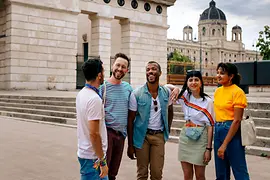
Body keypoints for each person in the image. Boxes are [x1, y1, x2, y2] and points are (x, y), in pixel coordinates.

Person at [127, 61, 180, 180]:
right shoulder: (136, 94)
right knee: (142, 173)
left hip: (159, 136)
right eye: (148, 69)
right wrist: (130, 145)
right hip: (142, 137)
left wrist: (168, 129)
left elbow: (170, 111)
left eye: (154, 69)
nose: (150, 71)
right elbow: (130, 120)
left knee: (157, 173)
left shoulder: (166, 92)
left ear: (160, 73)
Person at [99, 53, 136, 180]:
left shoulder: (128, 88)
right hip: (107, 134)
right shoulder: (102, 87)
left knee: (113, 173)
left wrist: (171, 87)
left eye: (123, 67)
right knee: (103, 172)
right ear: (112, 66)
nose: (120, 69)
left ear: (127, 70)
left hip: (121, 136)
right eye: (118, 65)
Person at [176, 70, 215, 180]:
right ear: (187, 83)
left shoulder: (208, 101)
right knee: (187, 175)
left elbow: (210, 126)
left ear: (201, 82)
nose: (193, 82)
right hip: (185, 138)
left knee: (200, 175)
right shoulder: (185, 96)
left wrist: (208, 149)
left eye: (196, 80)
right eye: (190, 80)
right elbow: (166, 86)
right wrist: (175, 89)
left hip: (201, 139)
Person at [214, 62, 250, 180]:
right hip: (218, 129)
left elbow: (237, 120)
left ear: (231, 76)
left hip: (231, 130)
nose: (218, 75)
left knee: (239, 169)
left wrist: (224, 145)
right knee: (221, 171)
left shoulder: (238, 92)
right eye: (218, 73)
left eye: (222, 73)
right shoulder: (218, 91)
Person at [76, 58, 108, 180]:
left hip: (86, 153)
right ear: (99, 75)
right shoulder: (94, 99)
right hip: (93, 157)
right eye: (103, 71)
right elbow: (94, 134)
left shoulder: (82, 94)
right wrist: (103, 161)